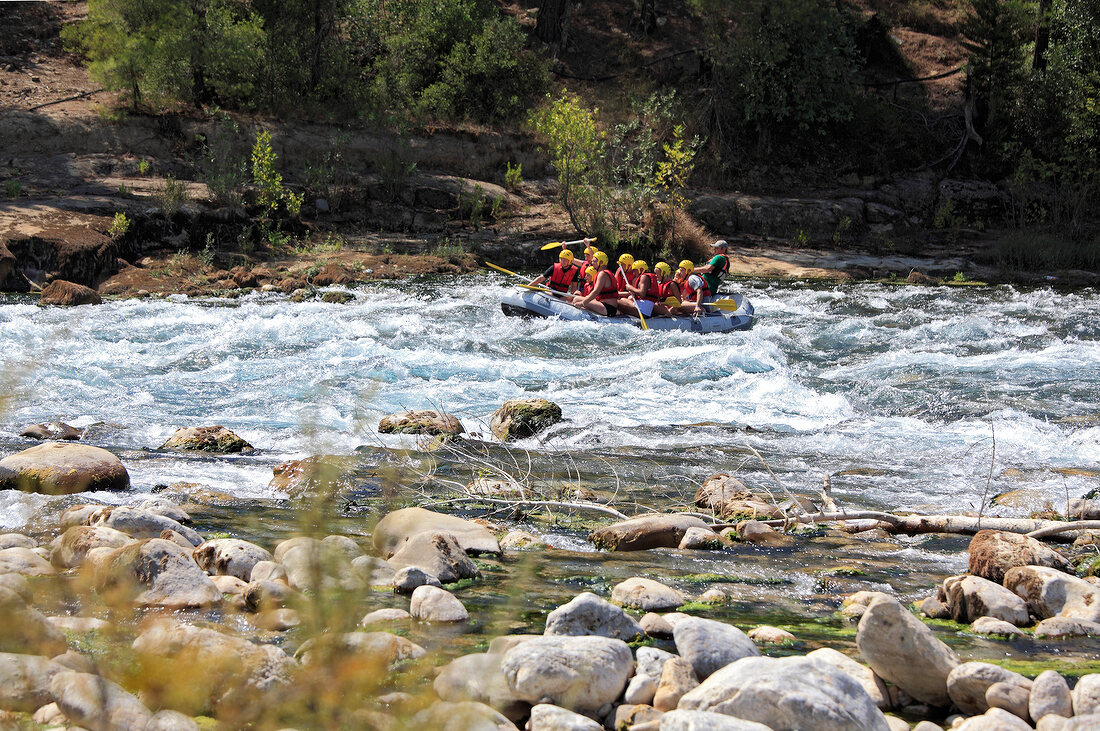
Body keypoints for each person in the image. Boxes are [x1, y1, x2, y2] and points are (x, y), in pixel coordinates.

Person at [571, 251, 620, 316]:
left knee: (577, 299)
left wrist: (583, 303)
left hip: (608, 308)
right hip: (606, 306)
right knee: (583, 298)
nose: (592, 263)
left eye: (594, 261)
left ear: (601, 262)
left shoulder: (602, 274)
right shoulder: (604, 273)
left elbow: (596, 291)